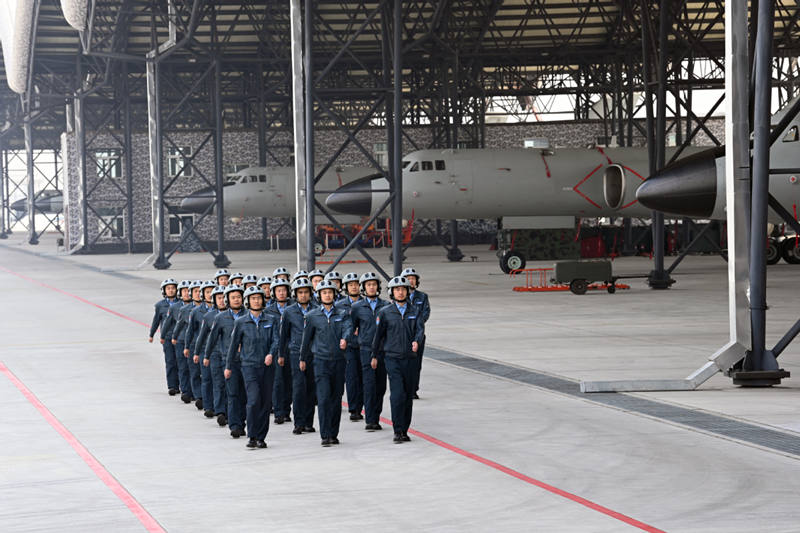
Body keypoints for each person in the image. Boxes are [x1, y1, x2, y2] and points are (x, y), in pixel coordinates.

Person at [299, 279, 352, 447]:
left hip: (339, 361)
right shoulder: (312, 316)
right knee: (323, 398)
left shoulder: (343, 313)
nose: (327, 295)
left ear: (334, 294)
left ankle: (333, 434)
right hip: (320, 362)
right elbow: (306, 339)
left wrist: (345, 338)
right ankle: (325, 434)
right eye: (324, 293)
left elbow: (348, 327)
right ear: (319, 295)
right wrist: (302, 358)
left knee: (336, 398)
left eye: (330, 292)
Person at [371, 276, 424, 444]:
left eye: (403, 289)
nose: (400, 292)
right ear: (392, 292)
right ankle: (397, 430)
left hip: (410, 359)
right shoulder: (385, 312)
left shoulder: (415, 311)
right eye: (397, 289)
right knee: (397, 394)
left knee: (407, 395)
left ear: (407, 291)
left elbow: (420, 330)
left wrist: (417, 341)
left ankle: (404, 430)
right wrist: (374, 355)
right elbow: (378, 336)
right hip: (392, 359)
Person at [226, 286, 279, 449]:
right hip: (248, 366)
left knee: (265, 403)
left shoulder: (271, 320)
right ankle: (252, 435)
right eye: (253, 298)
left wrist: (271, 354)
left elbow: (276, 340)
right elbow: (233, 346)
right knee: (254, 400)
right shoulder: (241, 322)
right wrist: (228, 366)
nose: (256, 301)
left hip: (267, 367)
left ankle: (261, 437)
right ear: (248, 301)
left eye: (259, 298)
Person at [206, 284, 247, 438]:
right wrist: (206, 355)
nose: (236, 300)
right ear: (227, 299)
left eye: (239, 297)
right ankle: (235, 425)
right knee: (233, 393)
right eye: (233, 297)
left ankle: (242, 422)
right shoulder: (220, 318)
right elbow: (212, 339)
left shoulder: (249, 315)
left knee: (245, 395)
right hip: (229, 361)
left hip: (247, 361)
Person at [350, 272, 389, 431]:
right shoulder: (357, 307)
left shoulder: (386, 306)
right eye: (368, 285)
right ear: (363, 287)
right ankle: (371, 420)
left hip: (383, 351)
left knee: (381, 385)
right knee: (369, 384)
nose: (371, 287)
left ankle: (376, 415)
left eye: (374, 284)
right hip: (366, 350)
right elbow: (351, 328)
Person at [278, 277, 317, 435]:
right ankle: (299, 422)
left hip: (313, 353)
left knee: (311, 388)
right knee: (299, 388)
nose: (303, 295)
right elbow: (283, 335)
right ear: (295, 294)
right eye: (300, 292)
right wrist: (281, 354)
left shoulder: (317, 309)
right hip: (295, 353)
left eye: (306, 292)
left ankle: (309, 422)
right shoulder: (289, 312)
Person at [197, 285, 228, 427]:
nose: (221, 300)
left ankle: (230, 410)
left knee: (231, 385)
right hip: (215, 354)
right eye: (219, 298)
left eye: (223, 297)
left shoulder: (236, 316)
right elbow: (203, 336)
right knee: (218, 382)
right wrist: (200, 353)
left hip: (230, 354)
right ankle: (220, 411)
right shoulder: (209, 317)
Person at [187, 280, 217, 417]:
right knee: (206, 378)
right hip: (204, 349)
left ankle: (218, 407)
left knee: (218, 380)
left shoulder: (221, 312)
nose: (210, 294)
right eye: (207, 292)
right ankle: (208, 406)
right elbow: (191, 332)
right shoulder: (196, 312)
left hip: (218, 350)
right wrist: (192, 349)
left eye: (212, 291)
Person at [174, 280, 206, 410]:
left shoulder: (208, 309)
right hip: (193, 344)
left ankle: (203, 396)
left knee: (205, 373)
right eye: (195, 291)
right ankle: (197, 395)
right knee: (194, 371)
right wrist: (177, 338)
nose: (197, 294)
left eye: (199, 291)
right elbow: (183, 327)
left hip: (205, 345)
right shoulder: (185, 310)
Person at [161, 280, 194, 403]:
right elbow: (169, 323)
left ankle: (194, 392)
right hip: (180, 340)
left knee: (193, 369)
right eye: (184, 291)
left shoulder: (196, 308)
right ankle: (183, 390)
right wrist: (165, 336)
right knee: (181, 366)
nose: (186, 293)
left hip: (193, 342)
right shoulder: (176, 307)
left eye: (188, 291)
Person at [402, 267, 431, 399]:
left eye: (413, 279)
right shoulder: (399, 296)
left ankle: (413, 389)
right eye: (408, 279)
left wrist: (416, 323)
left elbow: (425, 313)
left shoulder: (422, 297)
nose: (411, 281)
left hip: (418, 334)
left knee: (416, 364)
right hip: (403, 335)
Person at [267, 278, 293, 425]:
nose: (281, 293)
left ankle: (286, 410)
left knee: (289, 381)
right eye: (278, 290)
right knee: (277, 382)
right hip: (276, 350)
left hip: (291, 349)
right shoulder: (268, 311)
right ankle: (278, 412)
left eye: (283, 290)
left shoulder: (294, 308)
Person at [338, 272, 363, 421]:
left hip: (364, 346)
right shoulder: (340, 305)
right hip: (348, 347)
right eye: (351, 284)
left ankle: (361, 405)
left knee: (363, 378)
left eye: (356, 284)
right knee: (352, 377)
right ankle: (354, 409)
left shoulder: (366, 304)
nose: (354, 287)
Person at [148, 278, 180, 396]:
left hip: (180, 337)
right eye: (168, 288)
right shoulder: (160, 305)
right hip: (167, 337)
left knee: (181, 362)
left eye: (173, 288)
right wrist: (151, 334)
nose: (171, 290)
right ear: (164, 290)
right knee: (170, 361)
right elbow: (156, 321)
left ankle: (183, 385)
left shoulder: (181, 304)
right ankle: (172, 386)